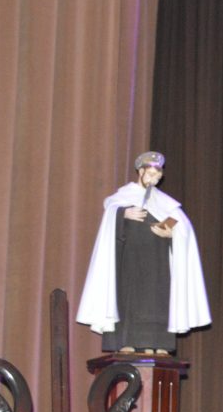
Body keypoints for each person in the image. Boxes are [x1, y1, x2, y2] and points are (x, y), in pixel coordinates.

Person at [76, 151, 211, 354]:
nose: (155, 176)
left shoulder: (165, 202)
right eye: (151, 172)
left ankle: (156, 343)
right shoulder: (122, 198)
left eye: (158, 173)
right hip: (129, 261)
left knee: (156, 301)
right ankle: (126, 341)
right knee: (129, 299)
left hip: (157, 264)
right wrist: (124, 214)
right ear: (140, 171)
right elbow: (109, 221)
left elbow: (182, 226)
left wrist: (170, 233)